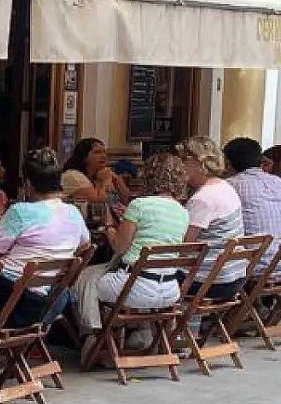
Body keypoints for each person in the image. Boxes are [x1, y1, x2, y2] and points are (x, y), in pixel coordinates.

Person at [73, 153, 190, 360]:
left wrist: (109, 226)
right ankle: (140, 330)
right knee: (98, 274)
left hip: (133, 287)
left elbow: (119, 247)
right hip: (169, 290)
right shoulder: (182, 211)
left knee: (85, 278)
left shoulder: (139, 206)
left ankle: (94, 335)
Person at [0, 148, 90, 338]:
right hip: (48, 302)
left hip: (7, 303)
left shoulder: (20, 212)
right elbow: (84, 246)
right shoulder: (73, 212)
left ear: (28, 184)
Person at [176, 136, 245, 297]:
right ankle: (187, 320)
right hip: (233, 276)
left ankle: (169, 321)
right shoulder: (225, 186)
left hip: (209, 280)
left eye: (183, 163)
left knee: (149, 276)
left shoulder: (203, 198)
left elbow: (185, 247)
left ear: (198, 164)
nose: (179, 169)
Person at [224, 137, 281, 276]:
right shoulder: (277, 182)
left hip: (252, 265)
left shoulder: (230, 186)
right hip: (277, 262)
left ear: (228, 163)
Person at [61, 137, 131, 206]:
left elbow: (126, 200)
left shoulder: (101, 173)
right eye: (97, 152)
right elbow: (98, 206)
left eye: (104, 152)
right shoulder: (73, 175)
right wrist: (105, 181)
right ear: (84, 157)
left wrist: (116, 178)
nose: (103, 156)